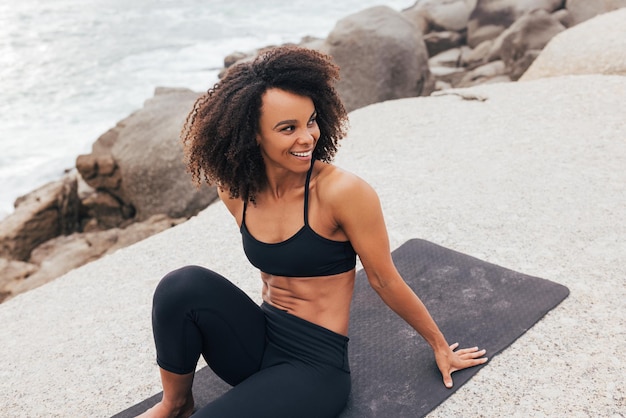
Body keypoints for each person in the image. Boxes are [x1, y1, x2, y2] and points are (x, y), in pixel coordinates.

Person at [138, 45, 487, 418]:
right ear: (252, 135)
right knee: (182, 286)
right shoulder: (236, 189)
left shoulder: (343, 192)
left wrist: (439, 345)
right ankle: (176, 403)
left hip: (314, 368)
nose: (307, 138)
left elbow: (385, 280)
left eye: (311, 121)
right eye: (288, 128)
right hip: (259, 342)